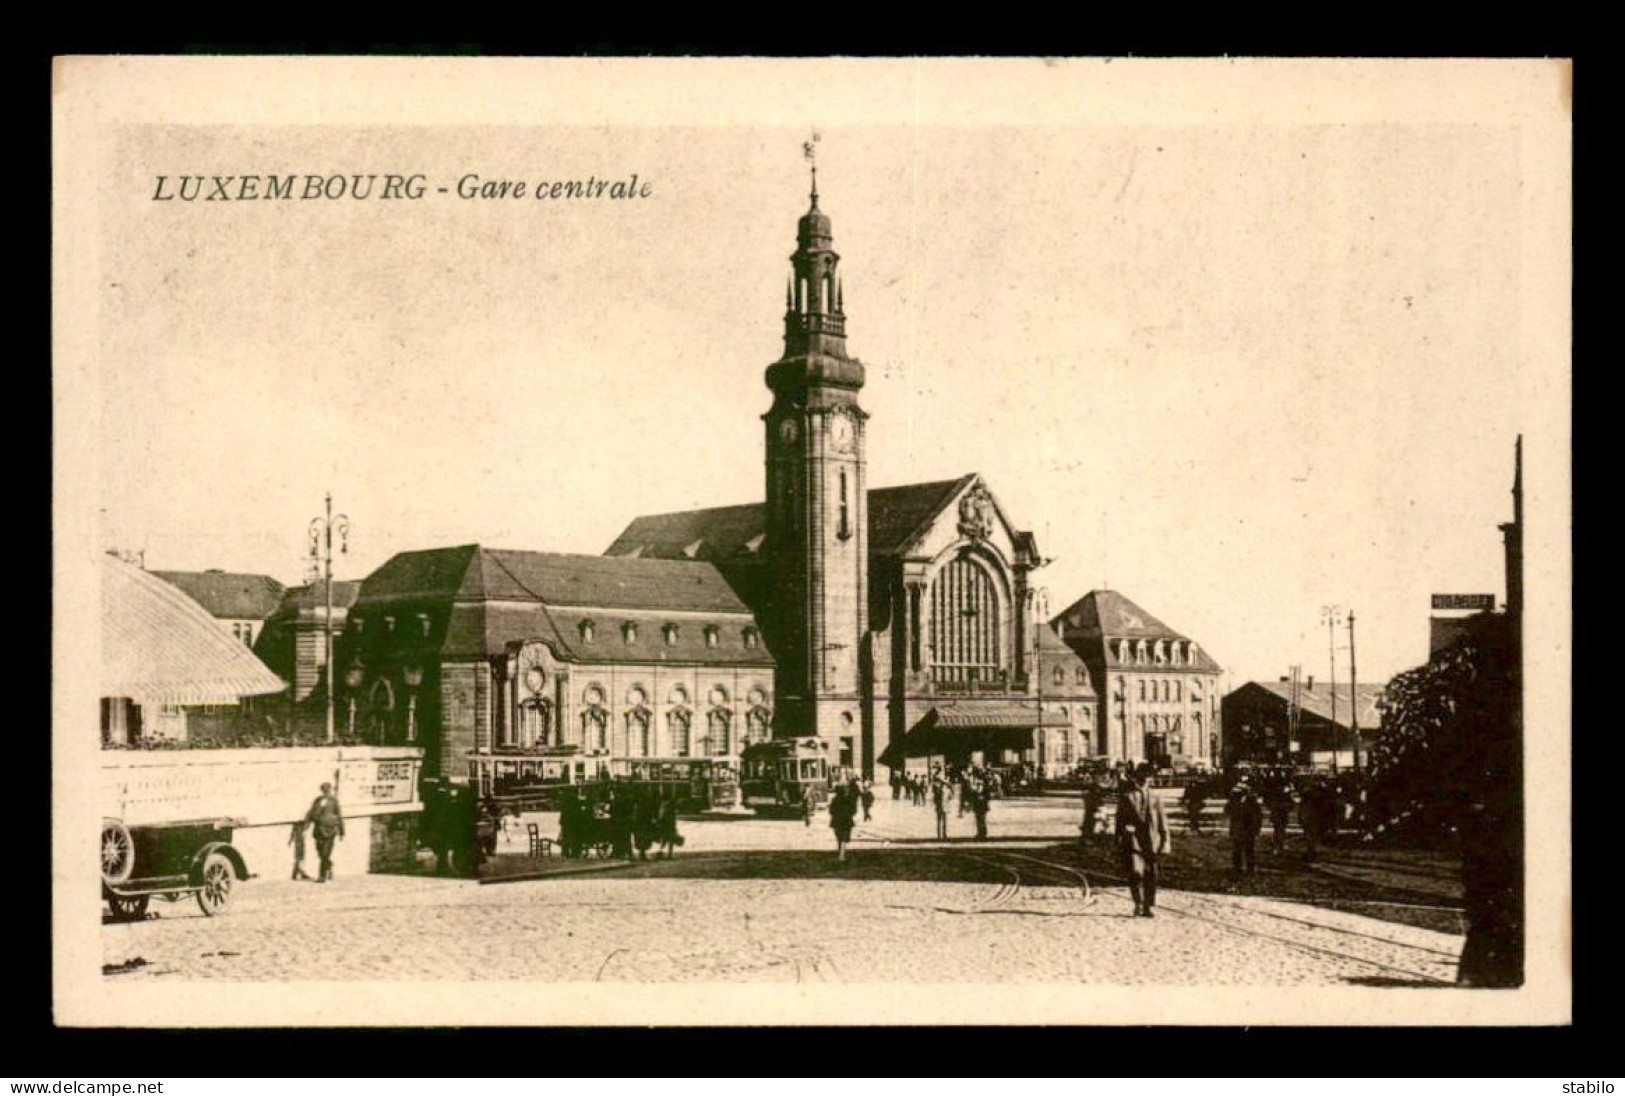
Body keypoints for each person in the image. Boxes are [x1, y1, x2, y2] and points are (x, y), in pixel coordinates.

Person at [1115, 764, 1170, 917]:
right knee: (1135, 872)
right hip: (1133, 840)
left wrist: (1165, 841)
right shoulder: (1127, 796)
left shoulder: (1156, 797)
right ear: (1137, 776)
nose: (1146, 779)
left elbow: (1162, 820)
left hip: (1152, 839)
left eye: (1149, 776)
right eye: (1143, 775)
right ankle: (1137, 903)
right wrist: (1120, 835)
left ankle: (1148, 906)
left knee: (1151, 874)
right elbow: (1119, 819)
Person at [305, 782, 345, 883]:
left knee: (325, 853)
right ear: (322, 790)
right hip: (318, 829)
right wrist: (307, 824)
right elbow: (311, 812)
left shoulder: (334, 801)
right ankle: (329, 865)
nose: (326, 792)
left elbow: (339, 815)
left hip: (330, 830)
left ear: (330, 790)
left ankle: (322, 876)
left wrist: (341, 831)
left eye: (327, 790)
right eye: (324, 790)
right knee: (319, 851)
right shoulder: (318, 800)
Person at [1226, 776, 1264, 876]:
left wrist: (1256, 829)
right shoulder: (1234, 802)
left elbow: (1257, 817)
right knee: (1238, 850)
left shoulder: (1251, 802)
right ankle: (1237, 868)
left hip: (1247, 829)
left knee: (1248, 850)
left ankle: (1249, 869)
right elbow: (1228, 811)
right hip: (1238, 829)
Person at [828, 781, 858, 862]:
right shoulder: (849, 799)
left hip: (836, 821)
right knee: (844, 838)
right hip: (846, 820)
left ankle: (840, 854)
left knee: (839, 838)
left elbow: (831, 811)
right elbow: (854, 810)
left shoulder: (834, 799)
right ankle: (841, 856)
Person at [931, 775, 950, 839]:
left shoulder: (942, 789)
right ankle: (941, 835)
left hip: (942, 806)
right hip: (941, 806)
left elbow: (950, 796)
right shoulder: (938, 789)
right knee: (941, 821)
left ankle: (943, 835)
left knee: (942, 821)